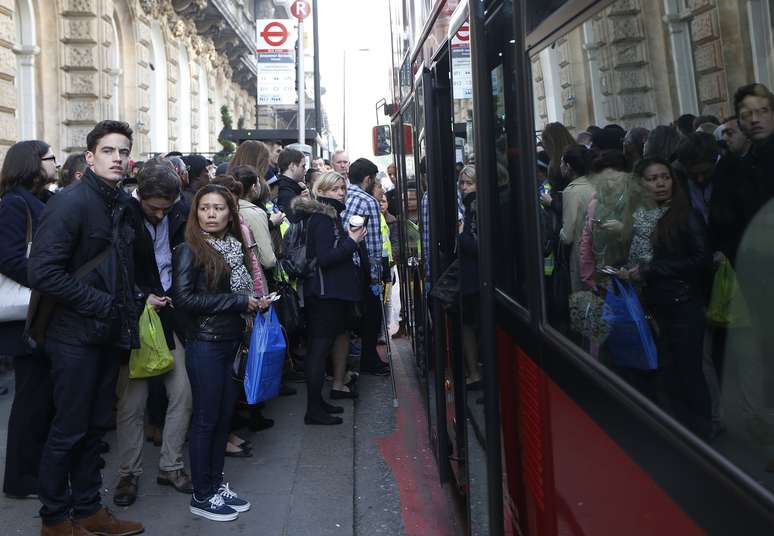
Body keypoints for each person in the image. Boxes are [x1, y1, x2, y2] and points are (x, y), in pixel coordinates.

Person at [28, 120, 144, 535]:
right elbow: (42, 272)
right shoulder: (72, 203)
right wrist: (102, 303)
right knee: (69, 430)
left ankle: (89, 510)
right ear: (90, 158)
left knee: (95, 429)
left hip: (106, 333)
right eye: (109, 151)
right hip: (73, 336)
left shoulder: (120, 203)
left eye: (123, 151)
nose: (118, 158)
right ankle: (55, 520)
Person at [172, 184, 271, 521]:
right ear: (195, 212)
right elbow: (183, 300)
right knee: (206, 419)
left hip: (232, 340)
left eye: (218, 208)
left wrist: (255, 303)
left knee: (223, 417)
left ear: (231, 213)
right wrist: (240, 301)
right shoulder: (189, 250)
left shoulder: (234, 246)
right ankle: (202, 494)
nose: (210, 214)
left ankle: (214, 486)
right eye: (204, 208)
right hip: (205, 342)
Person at [113, 158, 194, 507]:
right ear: (140, 196)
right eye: (153, 208)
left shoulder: (178, 212)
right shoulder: (122, 214)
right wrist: (139, 296)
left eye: (166, 208)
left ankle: (171, 465)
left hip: (170, 313)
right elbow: (114, 269)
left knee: (182, 393)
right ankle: (128, 474)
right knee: (132, 401)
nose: (160, 214)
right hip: (134, 315)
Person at [621, 157, 713, 438]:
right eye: (652, 178)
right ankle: (680, 431)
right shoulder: (641, 217)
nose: (660, 183)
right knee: (668, 372)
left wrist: (650, 270)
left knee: (689, 373)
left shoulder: (685, 215)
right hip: (654, 305)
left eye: (665, 177)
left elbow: (701, 259)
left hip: (683, 305)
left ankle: (702, 432)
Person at [291, 172, 368, 424]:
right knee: (319, 350)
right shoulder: (323, 219)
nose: (341, 193)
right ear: (321, 191)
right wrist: (352, 242)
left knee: (320, 349)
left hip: (328, 293)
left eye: (343, 189)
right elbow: (325, 258)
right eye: (335, 189)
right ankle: (313, 410)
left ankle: (318, 403)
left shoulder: (327, 217)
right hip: (324, 294)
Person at [1, 141, 54, 500]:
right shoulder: (14, 204)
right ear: (33, 164)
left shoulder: (41, 201)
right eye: (50, 158)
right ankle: (20, 479)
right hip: (25, 317)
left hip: (40, 312)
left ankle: (31, 473)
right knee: (31, 400)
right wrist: (49, 281)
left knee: (40, 397)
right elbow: (9, 259)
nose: (57, 162)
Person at [342, 158, 388, 376]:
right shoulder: (368, 200)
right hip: (363, 268)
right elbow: (373, 244)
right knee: (372, 316)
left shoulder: (345, 194)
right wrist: (376, 277)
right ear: (368, 179)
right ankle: (370, 360)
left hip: (345, 265)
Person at [230, 165, 284, 272]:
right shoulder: (255, 213)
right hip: (257, 276)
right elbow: (268, 260)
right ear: (254, 187)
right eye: (259, 182)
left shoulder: (227, 207)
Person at [458, 165, 483, 387]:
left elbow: (479, 247)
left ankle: (475, 373)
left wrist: (460, 234)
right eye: (463, 183)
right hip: (472, 277)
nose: (465, 188)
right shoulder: (469, 206)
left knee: (470, 325)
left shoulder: (476, 208)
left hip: (475, 278)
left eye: (470, 183)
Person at [558, 144, 594, 292]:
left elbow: (567, 236)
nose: (560, 166)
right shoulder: (595, 185)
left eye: (561, 162)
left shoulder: (571, 192)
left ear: (568, 166)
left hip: (581, 256)